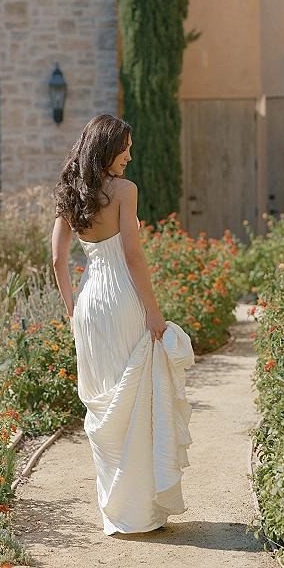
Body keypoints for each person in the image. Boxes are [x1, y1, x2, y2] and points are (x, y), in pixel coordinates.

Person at [52, 113, 194, 535]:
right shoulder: (125, 191)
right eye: (125, 148)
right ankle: (141, 513)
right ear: (106, 148)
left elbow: (58, 260)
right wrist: (153, 312)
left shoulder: (68, 193)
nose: (130, 156)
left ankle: (116, 514)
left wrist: (71, 308)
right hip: (123, 301)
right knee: (135, 403)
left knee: (105, 405)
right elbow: (133, 256)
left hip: (91, 302)